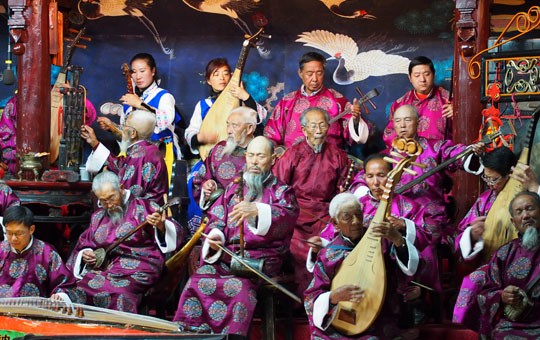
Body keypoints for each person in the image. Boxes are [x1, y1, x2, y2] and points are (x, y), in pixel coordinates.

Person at [173, 136, 298, 336]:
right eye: (250, 156)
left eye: (260, 156)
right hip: (226, 256)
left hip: (258, 262)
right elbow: (217, 217)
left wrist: (258, 211)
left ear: (273, 159)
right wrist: (215, 237)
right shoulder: (234, 187)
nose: (254, 162)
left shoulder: (282, 191)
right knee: (196, 281)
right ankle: (192, 336)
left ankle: (231, 337)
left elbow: (287, 217)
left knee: (239, 288)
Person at [304, 193, 419, 339]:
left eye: (358, 215)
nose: (356, 222)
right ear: (335, 223)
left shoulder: (381, 242)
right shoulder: (329, 254)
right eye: (347, 217)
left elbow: (408, 271)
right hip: (337, 321)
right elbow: (311, 297)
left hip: (376, 317)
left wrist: (397, 239)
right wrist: (333, 297)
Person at [66, 171, 183, 313]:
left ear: (121, 188)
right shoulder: (98, 216)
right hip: (108, 269)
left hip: (141, 266)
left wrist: (161, 226)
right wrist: (86, 254)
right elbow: (85, 242)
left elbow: (177, 231)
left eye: (111, 198)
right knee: (79, 287)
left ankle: (121, 333)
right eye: (103, 201)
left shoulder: (144, 208)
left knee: (120, 293)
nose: (108, 205)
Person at [273, 107, 350, 295]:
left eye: (322, 125)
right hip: (296, 217)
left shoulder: (338, 156)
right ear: (304, 129)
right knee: (301, 250)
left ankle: (325, 298)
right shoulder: (292, 154)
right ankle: (307, 300)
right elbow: (278, 188)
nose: (318, 130)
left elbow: (344, 189)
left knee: (330, 248)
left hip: (326, 216)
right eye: (313, 126)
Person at [386, 104, 484, 244]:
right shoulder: (388, 156)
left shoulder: (435, 147)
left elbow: (454, 153)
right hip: (397, 217)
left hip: (429, 219)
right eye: (398, 121)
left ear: (418, 123)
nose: (402, 125)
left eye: (407, 120)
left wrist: (470, 151)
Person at [453, 191, 540, 338]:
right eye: (519, 212)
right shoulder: (504, 253)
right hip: (513, 323)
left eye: (530, 208)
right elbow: (486, 293)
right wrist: (502, 296)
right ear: (513, 222)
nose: (525, 216)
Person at [264, 51, 369, 155]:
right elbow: (271, 135)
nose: (314, 79)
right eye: (309, 74)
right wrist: (280, 153)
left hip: (329, 162)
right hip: (293, 163)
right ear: (300, 73)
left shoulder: (336, 99)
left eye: (319, 73)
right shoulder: (287, 101)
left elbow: (352, 134)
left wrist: (355, 120)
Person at [97, 52, 182, 158]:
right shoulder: (129, 100)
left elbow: (165, 121)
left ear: (153, 71)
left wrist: (140, 104)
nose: (138, 76)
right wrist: (111, 127)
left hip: (160, 155)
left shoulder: (164, 96)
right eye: (134, 72)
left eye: (142, 71)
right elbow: (127, 136)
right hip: (135, 157)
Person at [81, 109, 168, 205]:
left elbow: (128, 194)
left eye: (125, 125)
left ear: (133, 133)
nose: (122, 129)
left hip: (144, 213)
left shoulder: (139, 155)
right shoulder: (146, 150)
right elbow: (120, 166)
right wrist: (94, 143)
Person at [185, 57, 267, 158]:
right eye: (216, 74)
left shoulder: (242, 101)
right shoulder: (203, 105)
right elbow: (190, 132)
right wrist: (199, 138)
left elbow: (258, 121)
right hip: (211, 156)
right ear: (208, 80)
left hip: (241, 156)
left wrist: (246, 97)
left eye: (226, 73)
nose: (222, 78)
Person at [0, 206, 77, 300]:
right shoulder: (1, 250)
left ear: (31, 229)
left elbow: (64, 283)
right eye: (9, 233)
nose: (13, 238)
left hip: (35, 310)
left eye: (19, 233)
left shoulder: (47, 253)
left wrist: (59, 295)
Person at [193, 106, 257, 211]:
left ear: (249, 128)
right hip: (217, 213)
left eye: (234, 126)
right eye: (227, 125)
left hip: (247, 213)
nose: (228, 131)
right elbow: (200, 178)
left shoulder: (260, 153)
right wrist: (208, 185)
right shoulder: (219, 149)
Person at [383, 56, 453, 147]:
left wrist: (457, 113)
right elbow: (389, 133)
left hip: (439, 156)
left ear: (433, 75)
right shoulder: (400, 104)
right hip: (408, 155)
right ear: (410, 78)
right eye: (417, 75)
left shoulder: (449, 100)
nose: (422, 79)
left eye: (426, 74)